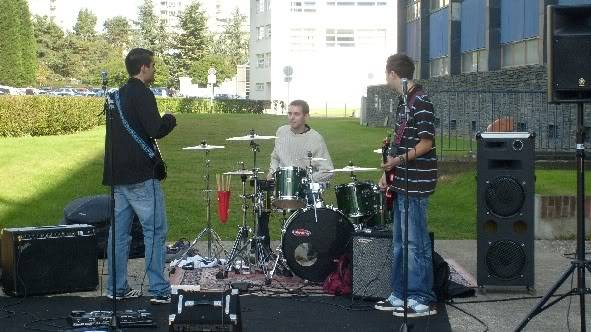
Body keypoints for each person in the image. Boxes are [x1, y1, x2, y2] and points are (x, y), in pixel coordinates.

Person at [103, 48, 177, 304]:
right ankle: (158, 289)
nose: (155, 70)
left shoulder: (116, 95)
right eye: (153, 65)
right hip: (141, 176)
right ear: (143, 68)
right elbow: (155, 129)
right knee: (154, 231)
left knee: (118, 234)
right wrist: (170, 119)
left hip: (116, 175)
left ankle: (116, 288)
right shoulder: (142, 92)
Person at [374, 54, 438, 317]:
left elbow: (426, 143)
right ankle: (400, 293)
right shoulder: (404, 103)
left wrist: (398, 159)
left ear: (392, 74)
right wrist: (388, 172)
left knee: (416, 243)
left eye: (386, 74)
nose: (385, 79)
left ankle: (422, 297)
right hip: (401, 181)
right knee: (400, 242)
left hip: (417, 184)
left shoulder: (421, 102)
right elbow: (401, 143)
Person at [255, 100, 334, 250]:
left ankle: (302, 247)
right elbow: (275, 157)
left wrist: (306, 180)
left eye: (296, 114)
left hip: (303, 188)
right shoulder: (281, 132)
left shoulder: (315, 138)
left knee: (312, 207)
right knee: (261, 198)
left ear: (306, 116)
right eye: (289, 113)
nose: (292, 117)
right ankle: (262, 248)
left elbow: (327, 170)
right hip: (281, 183)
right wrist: (272, 171)